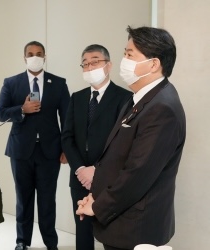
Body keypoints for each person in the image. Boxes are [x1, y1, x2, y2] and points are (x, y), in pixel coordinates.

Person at [76, 26, 186, 250]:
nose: (123, 61)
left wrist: (98, 206)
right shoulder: (139, 98)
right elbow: (116, 156)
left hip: (136, 228)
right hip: (122, 220)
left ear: (153, 64)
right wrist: (95, 194)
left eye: (129, 54)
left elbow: (137, 173)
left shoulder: (162, 108)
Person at [0, 41, 70, 250]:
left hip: (50, 151)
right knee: (23, 198)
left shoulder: (58, 83)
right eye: (30, 54)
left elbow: (67, 119)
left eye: (39, 53)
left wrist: (66, 148)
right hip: (21, 151)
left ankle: (50, 242)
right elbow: (1, 113)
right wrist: (22, 109)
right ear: (24, 57)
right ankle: (22, 241)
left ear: (44, 56)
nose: (35, 57)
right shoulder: (11, 83)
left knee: (48, 200)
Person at [61, 44, 131, 250]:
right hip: (80, 178)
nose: (90, 67)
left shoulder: (125, 98)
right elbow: (67, 137)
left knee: (111, 230)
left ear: (108, 65)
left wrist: (97, 171)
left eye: (95, 62)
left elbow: (122, 141)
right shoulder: (77, 97)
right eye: (85, 64)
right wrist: (80, 169)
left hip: (110, 178)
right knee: (83, 230)